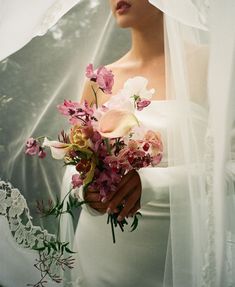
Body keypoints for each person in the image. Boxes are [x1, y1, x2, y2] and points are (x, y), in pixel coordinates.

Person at [73, 1, 171, 286]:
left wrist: (153, 184)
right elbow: (73, 163)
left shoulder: (215, 67)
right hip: (98, 252)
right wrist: (86, 192)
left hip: (174, 252)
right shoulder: (98, 81)